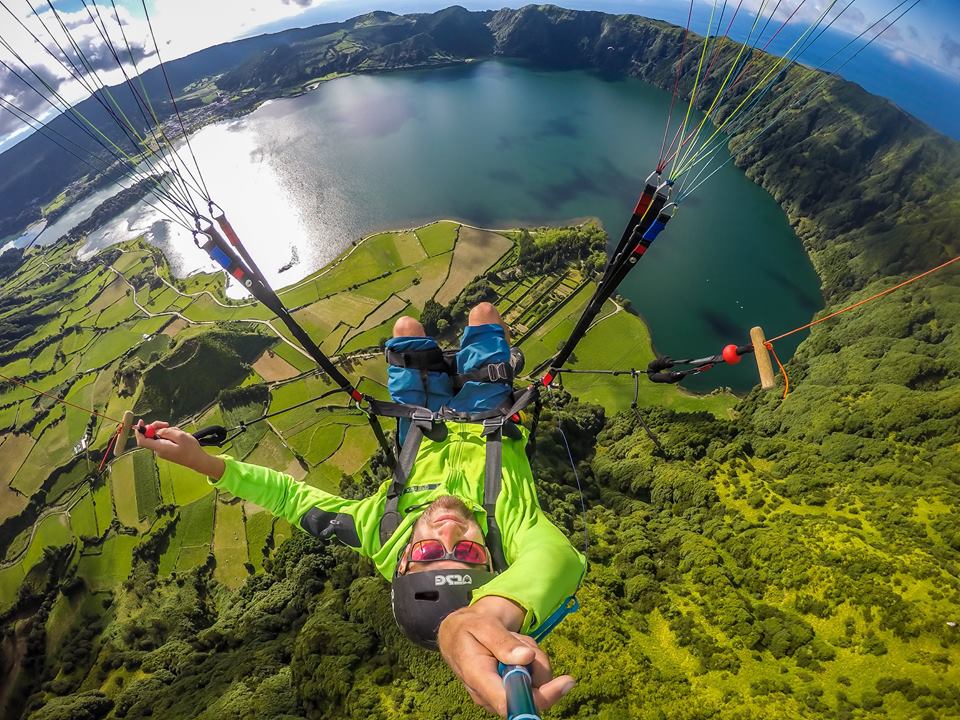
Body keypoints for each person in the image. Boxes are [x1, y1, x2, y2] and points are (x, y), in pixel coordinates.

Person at [136, 302, 585, 717]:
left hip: (422, 423)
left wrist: (203, 462)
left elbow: (292, 499)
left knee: (406, 329)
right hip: (489, 414)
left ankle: (446, 363)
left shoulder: (379, 531)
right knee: (483, 311)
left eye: (429, 554)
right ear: (492, 562)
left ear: (404, 559)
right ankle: (471, 361)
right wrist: (491, 613)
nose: (448, 534)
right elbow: (559, 559)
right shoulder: (511, 531)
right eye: (467, 554)